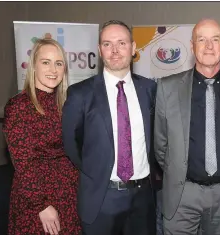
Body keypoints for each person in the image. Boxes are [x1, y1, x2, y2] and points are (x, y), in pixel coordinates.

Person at [154, 18, 220, 235]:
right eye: (202, 39)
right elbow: (160, 146)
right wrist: (178, 171)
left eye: (215, 39)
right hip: (182, 194)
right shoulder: (166, 88)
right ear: (192, 46)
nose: (209, 46)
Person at [62, 20, 157, 235]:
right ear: (99, 50)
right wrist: (97, 171)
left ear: (133, 48)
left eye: (121, 43)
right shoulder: (80, 94)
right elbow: (71, 145)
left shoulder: (150, 89)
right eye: (107, 44)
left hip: (143, 199)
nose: (114, 51)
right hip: (101, 198)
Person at [3, 38, 80, 235]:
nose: (53, 70)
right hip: (37, 198)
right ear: (33, 66)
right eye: (46, 62)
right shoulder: (19, 106)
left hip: (69, 194)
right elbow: (23, 163)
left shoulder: (68, 104)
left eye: (59, 63)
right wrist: (42, 205)